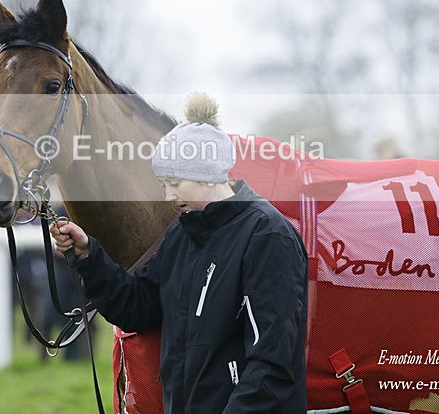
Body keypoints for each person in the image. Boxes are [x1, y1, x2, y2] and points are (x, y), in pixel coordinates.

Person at [51, 93, 309, 413]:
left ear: (206, 173)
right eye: (163, 184)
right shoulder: (183, 232)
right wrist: (89, 256)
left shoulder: (268, 236)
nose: (169, 195)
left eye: (174, 182)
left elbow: (272, 365)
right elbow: (136, 306)